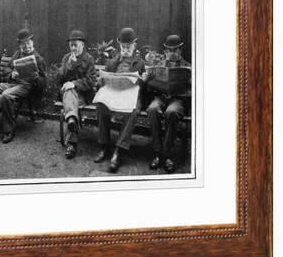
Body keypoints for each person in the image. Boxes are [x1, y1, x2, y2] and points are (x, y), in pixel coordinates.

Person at [93, 27, 146, 172]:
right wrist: (101, 81)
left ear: (134, 46)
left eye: (129, 47)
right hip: (114, 94)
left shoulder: (140, 63)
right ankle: (104, 146)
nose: (126, 49)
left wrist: (142, 80)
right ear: (119, 46)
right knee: (101, 105)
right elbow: (104, 82)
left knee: (133, 111)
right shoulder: (111, 62)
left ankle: (118, 150)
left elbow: (143, 86)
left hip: (131, 95)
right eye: (123, 46)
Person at [146, 34, 191, 173]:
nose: (172, 53)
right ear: (165, 51)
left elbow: (191, 91)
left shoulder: (187, 67)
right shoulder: (159, 66)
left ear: (180, 51)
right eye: (169, 50)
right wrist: (149, 79)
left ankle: (167, 155)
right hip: (160, 97)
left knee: (171, 112)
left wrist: (190, 82)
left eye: (175, 50)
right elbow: (149, 87)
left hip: (177, 99)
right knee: (152, 109)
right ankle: (157, 152)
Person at [56, 30, 97, 159]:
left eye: (76, 45)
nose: (73, 48)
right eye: (71, 45)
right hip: (69, 96)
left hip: (83, 95)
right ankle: (72, 122)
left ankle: (72, 139)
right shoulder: (66, 58)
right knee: (68, 92)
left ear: (82, 45)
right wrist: (69, 66)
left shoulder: (89, 59)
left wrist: (74, 84)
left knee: (70, 92)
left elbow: (91, 80)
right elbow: (58, 79)